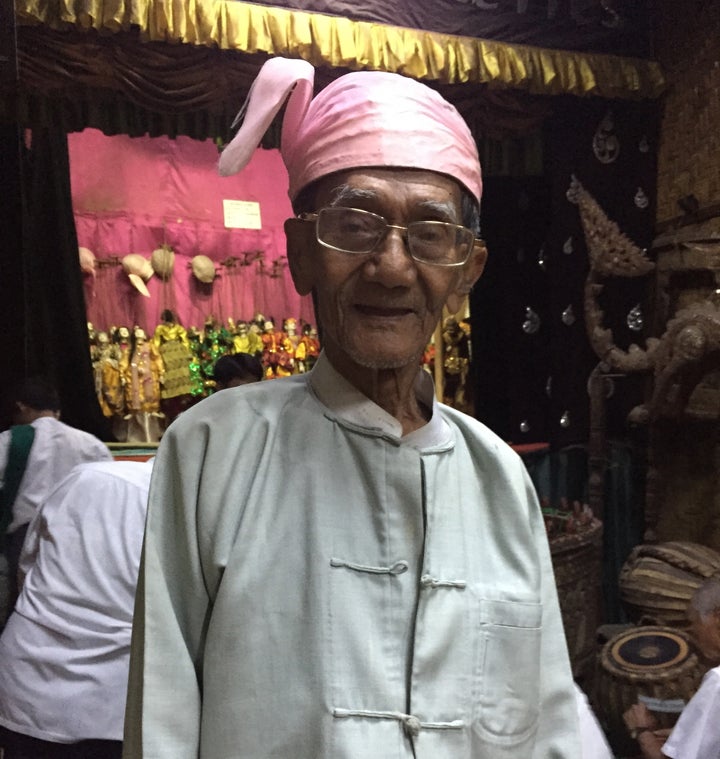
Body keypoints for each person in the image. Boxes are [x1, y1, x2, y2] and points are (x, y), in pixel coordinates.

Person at [123, 56, 580, 758]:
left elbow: (549, 721)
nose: (392, 266)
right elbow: (163, 720)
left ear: (465, 272)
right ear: (302, 251)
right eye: (356, 224)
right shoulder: (213, 449)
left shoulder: (497, 477)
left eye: (429, 233)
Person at [0, 458, 153, 759]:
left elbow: (29, 563)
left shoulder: (85, 476)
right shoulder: (179, 501)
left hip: (31, 674)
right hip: (115, 693)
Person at [0, 377, 112, 611]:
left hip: (24, 535)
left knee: (24, 602)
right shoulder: (90, 444)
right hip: (78, 534)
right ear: (56, 410)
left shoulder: (10, 441)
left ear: (21, 407)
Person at [624, 577, 720, 759]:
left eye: (694, 623)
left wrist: (642, 731)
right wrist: (687, 734)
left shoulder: (717, 683)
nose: (693, 634)